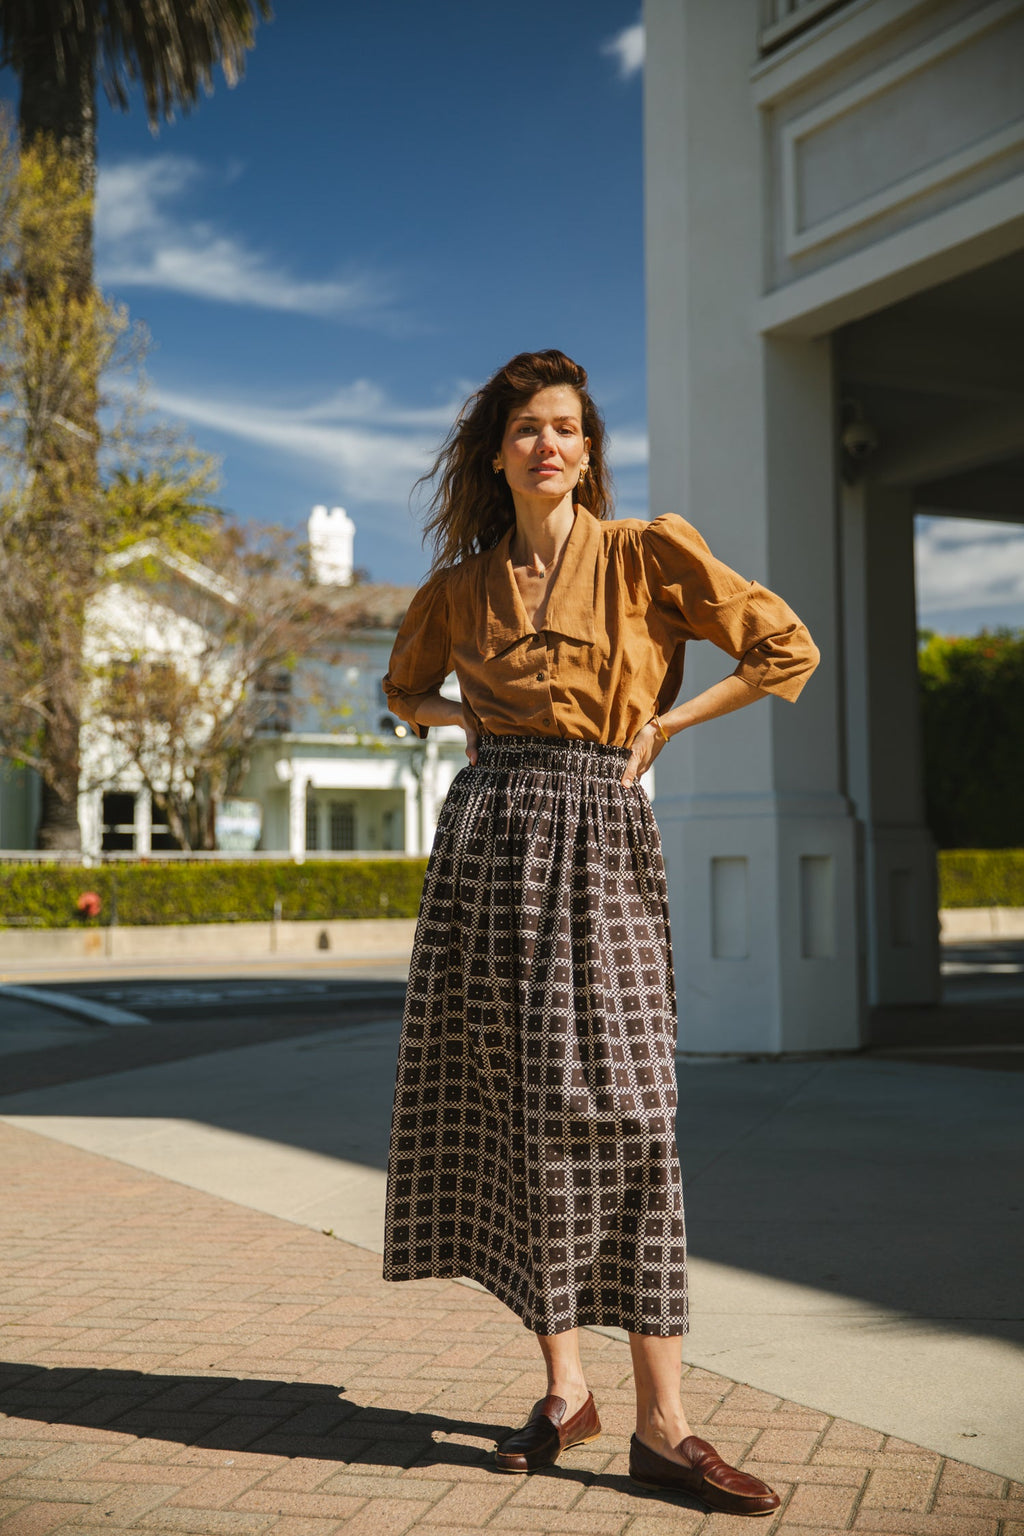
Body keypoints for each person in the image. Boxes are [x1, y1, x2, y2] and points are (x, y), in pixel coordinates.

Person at [381, 350, 818, 1516]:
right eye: (527, 429)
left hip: (599, 824)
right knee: (520, 1107)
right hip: (487, 841)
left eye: (566, 428)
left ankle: (665, 1426)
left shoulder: (643, 552)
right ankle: (565, 1391)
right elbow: (400, 690)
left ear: (588, 448)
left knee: (629, 1106)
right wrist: (461, 713)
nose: (548, 446)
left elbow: (783, 647)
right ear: (496, 453)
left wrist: (671, 721)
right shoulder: (459, 589)